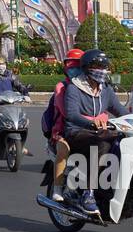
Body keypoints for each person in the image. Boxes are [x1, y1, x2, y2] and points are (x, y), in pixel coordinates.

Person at [62, 49, 125, 214]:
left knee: (121, 140)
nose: (102, 70)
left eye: (105, 66)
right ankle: (88, 194)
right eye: (98, 66)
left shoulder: (106, 91)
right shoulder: (74, 88)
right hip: (76, 132)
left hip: (98, 132)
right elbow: (72, 115)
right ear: (87, 68)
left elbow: (120, 111)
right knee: (102, 143)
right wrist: (91, 123)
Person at [44, 48, 85, 201]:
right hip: (62, 131)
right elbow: (68, 112)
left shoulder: (89, 86)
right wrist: (92, 120)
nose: (74, 69)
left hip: (86, 130)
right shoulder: (61, 87)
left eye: (77, 65)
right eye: (70, 65)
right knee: (64, 149)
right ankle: (58, 188)